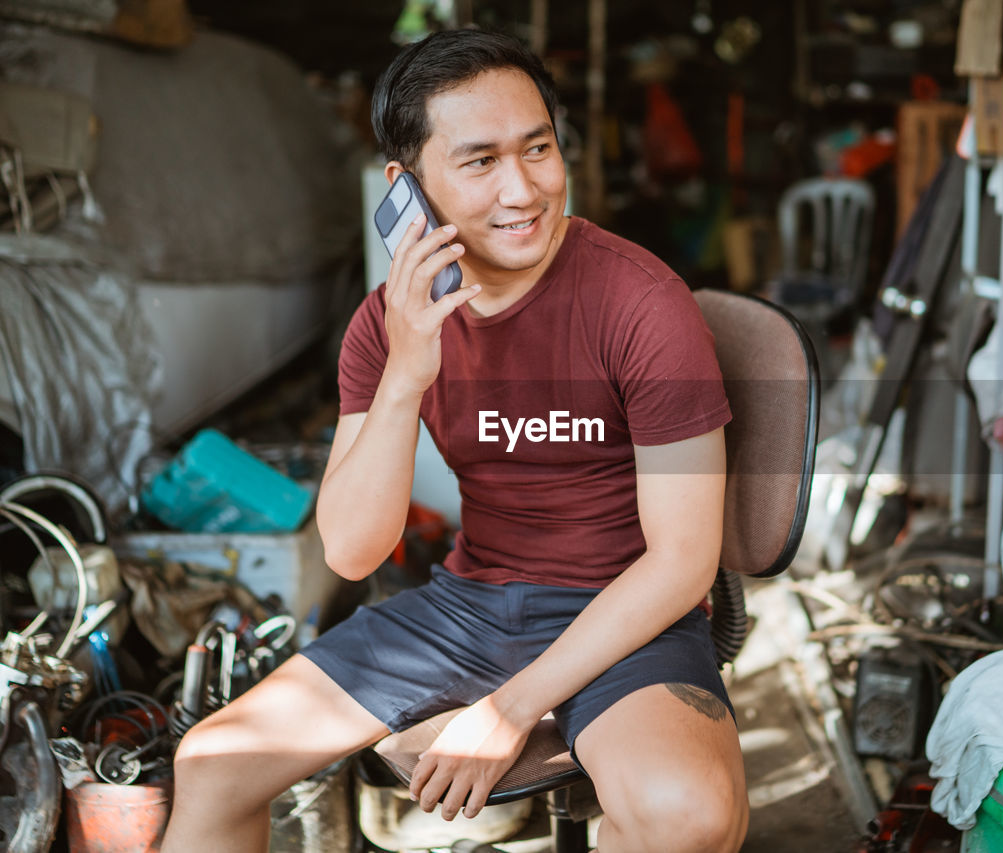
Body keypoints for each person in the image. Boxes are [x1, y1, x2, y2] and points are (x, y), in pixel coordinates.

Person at [161, 28, 748, 853]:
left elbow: (684, 559)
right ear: (410, 187)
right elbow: (353, 552)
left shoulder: (642, 302)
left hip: (626, 612)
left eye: (538, 149)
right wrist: (406, 371)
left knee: (687, 815)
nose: (524, 189)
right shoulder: (387, 323)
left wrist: (509, 709)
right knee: (213, 761)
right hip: (469, 609)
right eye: (479, 162)